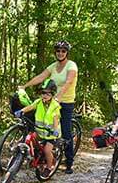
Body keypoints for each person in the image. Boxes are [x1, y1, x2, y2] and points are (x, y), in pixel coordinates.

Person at [19, 40, 78, 174]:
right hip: (51, 100)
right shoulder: (53, 66)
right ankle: (43, 154)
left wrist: (59, 97)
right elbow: (41, 77)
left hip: (65, 101)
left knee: (65, 131)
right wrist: (25, 86)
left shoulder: (71, 65)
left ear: (67, 52)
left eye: (63, 51)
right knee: (41, 124)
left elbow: (68, 82)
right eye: (58, 51)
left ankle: (69, 162)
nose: (60, 53)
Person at [14, 79, 61, 177]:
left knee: (47, 151)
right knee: (30, 139)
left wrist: (55, 130)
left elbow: (56, 119)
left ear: (52, 95)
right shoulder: (39, 102)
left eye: (48, 94)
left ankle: (49, 167)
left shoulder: (55, 106)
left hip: (50, 134)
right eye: (43, 93)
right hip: (40, 131)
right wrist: (22, 111)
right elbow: (30, 107)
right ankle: (32, 157)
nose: (44, 95)